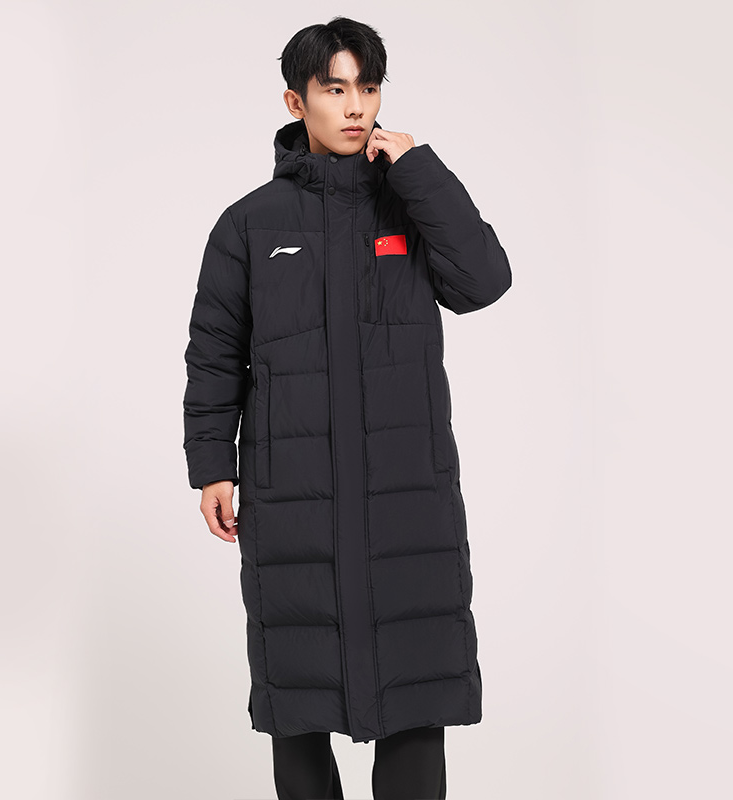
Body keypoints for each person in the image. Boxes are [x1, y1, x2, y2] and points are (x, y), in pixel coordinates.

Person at [182, 16, 512, 800]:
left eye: (368, 87)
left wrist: (420, 171)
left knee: (414, 694)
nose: (356, 105)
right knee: (298, 701)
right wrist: (212, 467)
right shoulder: (249, 225)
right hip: (294, 495)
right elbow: (215, 351)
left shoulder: (410, 206)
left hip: (406, 496)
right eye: (335, 89)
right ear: (296, 102)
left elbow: (483, 282)